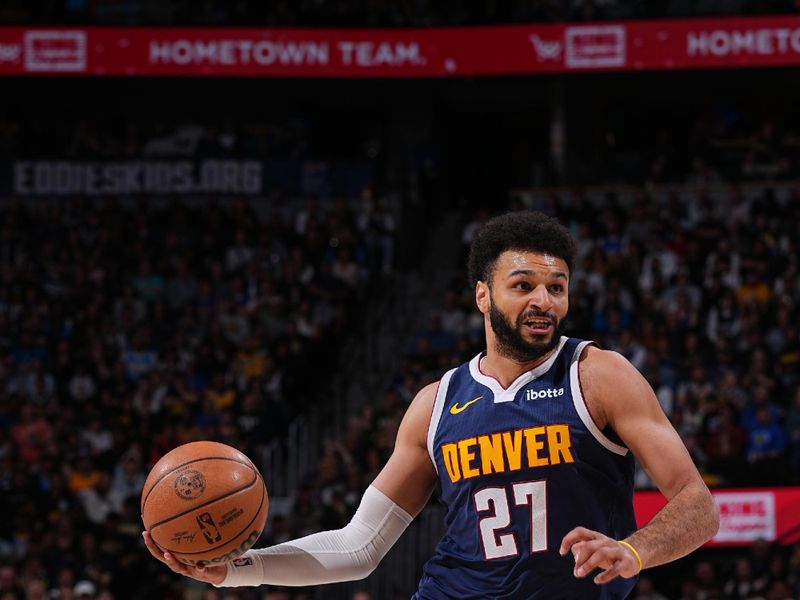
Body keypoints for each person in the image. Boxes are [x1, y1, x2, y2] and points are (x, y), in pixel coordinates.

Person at [144, 211, 719, 599]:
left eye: (557, 287)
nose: (544, 300)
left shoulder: (599, 375)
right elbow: (359, 546)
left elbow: (698, 505)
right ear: (483, 295)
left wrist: (631, 550)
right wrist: (239, 570)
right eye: (523, 285)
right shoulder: (436, 404)